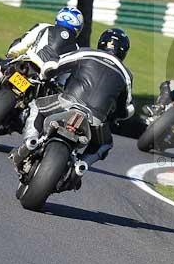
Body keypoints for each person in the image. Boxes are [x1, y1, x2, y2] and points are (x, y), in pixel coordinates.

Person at [10, 28, 134, 177]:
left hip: (67, 103)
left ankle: (31, 141)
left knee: (36, 105)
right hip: (95, 119)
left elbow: (56, 65)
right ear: (124, 51)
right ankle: (81, 166)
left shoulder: (86, 52)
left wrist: (46, 73)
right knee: (105, 143)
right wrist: (115, 117)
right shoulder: (126, 74)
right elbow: (126, 108)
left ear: (101, 42)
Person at [0, 6, 84, 101]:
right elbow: (65, 75)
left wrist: (11, 54)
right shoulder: (77, 49)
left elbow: (22, 44)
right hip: (47, 78)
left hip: (28, 62)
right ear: (78, 28)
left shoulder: (44, 26)